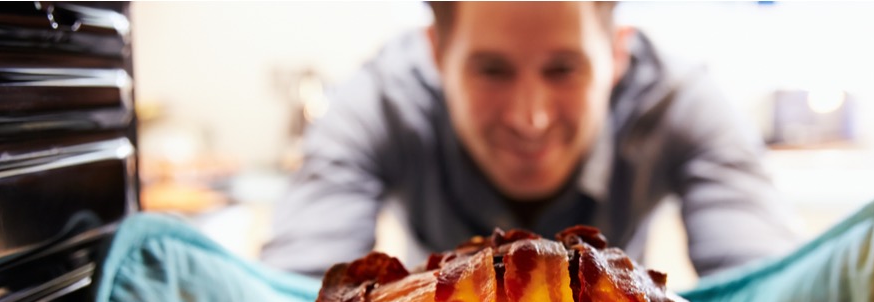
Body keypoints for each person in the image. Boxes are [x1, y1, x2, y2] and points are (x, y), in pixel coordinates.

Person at [261, 1, 801, 278]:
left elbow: (765, 285)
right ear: (436, 55)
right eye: (492, 71)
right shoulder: (379, 102)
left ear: (617, 54)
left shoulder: (678, 102)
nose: (531, 117)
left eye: (564, 69)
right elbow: (297, 293)